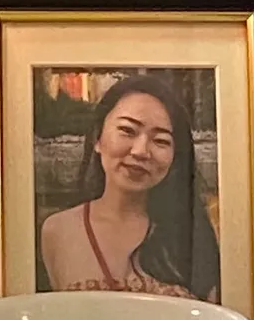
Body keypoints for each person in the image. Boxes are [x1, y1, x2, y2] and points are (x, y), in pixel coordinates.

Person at [39, 74, 220, 301]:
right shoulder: (57, 231)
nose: (140, 151)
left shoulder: (193, 233)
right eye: (127, 131)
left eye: (161, 141)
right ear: (97, 137)